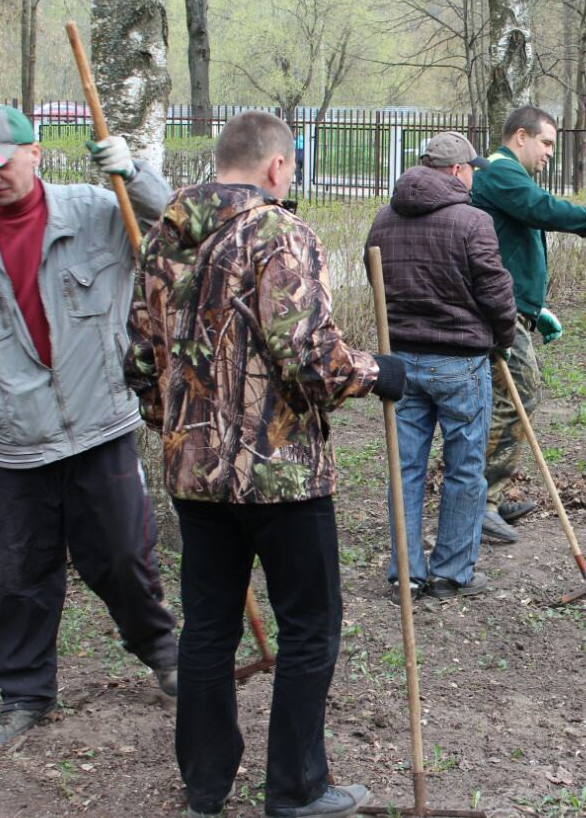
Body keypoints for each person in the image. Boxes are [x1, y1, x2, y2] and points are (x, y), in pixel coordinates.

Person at [127, 110, 405, 818]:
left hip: (196, 478)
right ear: (277, 166)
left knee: (208, 626)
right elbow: (312, 359)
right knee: (310, 623)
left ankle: (206, 784)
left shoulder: (164, 236)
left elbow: (138, 360)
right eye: (292, 168)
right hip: (281, 476)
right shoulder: (278, 232)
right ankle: (296, 786)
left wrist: (183, 435)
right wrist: (376, 371)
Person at [0, 104, 179, 748]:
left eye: (0, 162)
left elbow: (184, 228)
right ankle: (23, 695)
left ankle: (164, 654)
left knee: (124, 555)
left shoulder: (97, 210)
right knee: (15, 575)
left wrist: (137, 173)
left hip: (99, 425)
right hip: (20, 440)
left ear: (34, 153)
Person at [469, 105, 586, 543]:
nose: (550, 152)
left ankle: (485, 497)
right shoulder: (499, 171)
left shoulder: (511, 176)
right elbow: (541, 209)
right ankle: (478, 505)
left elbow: (516, 237)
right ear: (521, 136)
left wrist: (534, 306)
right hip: (498, 312)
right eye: (546, 143)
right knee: (519, 396)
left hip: (513, 307)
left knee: (504, 400)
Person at [365, 131, 516, 600]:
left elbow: (374, 279)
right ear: (456, 170)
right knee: (465, 468)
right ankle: (453, 573)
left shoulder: (383, 219)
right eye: (471, 168)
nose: (473, 177)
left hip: (402, 363)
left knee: (405, 468)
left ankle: (407, 575)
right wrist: (503, 338)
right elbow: (494, 291)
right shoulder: (472, 221)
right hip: (460, 365)